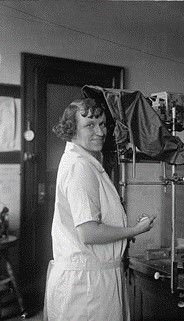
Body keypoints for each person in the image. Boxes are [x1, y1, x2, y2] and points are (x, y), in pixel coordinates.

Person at [44, 98, 156, 321]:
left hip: (88, 279)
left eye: (103, 124)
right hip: (87, 286)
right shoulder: (79, 167)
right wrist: (135, 230)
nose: (100, 132)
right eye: (90, 125)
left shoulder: (84, 161)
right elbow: (89, 233)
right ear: (72, 129)